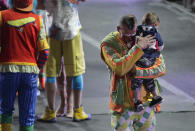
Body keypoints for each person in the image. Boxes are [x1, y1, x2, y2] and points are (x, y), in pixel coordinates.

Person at [101, 14, 166, 131]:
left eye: (133, 34)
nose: (131, 38)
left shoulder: (145, 37)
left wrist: (137, 71)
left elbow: (161, 68)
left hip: (146, 103)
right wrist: (138, 48)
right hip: (123, 105)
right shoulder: (109, 44)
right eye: (127, 35)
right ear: (118, 29)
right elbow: (120, 69)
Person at [37, 0, 91, 122]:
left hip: (52, 30)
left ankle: (50, 112)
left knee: (50, 72)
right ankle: (78, 111)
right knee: (76, 70)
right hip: (71, 30)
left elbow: (40, 6)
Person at [0, 0, 49, 130]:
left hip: (7, 70)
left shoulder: (2, 16)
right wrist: (37, 68)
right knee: (28, 116)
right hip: (30, 72)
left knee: (4, 110)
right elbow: (45, 52)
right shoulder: (38, 20)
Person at [131, 12, 164, 112]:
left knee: (137, 80)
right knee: (149, 78)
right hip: (151, 62)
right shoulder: (155, 33)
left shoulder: (139, 29)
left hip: (140, 60)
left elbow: (133, 41)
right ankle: (155, 96)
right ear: (155, 24)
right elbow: (161, 47)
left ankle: (137, 101)